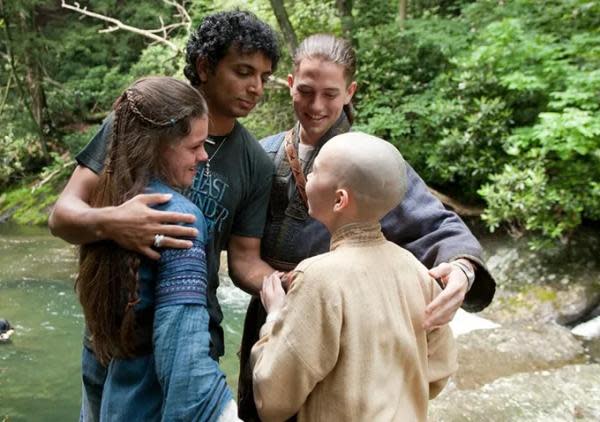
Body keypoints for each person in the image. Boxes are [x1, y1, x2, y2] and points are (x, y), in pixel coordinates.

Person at [237, 33, 495, 419]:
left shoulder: (367, 162)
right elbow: (241, 254)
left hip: (351, 344)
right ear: (290, 84)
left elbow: (438, 226)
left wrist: (462, 270)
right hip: (277, 323)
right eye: (306, 91)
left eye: (330, 93)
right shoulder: (260, 156)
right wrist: (287, 300)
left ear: (349, 91)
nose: (316, 105)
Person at [48, 11, 280, 366]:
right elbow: (62, 217)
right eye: (244, 72)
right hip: (112, 339)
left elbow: (244, 261)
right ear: (204, 67)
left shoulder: (256, 163)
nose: (257, 88)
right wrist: (112, 222)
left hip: (194, 341)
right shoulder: (139, 123)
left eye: (264, 77)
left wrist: (292, 285)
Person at [251, 132, 458, 421]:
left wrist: (274, 316)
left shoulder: (316, 277)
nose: (308, 173)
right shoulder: (416, 269)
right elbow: (439, 369)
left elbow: (274, 399)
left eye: (317, 170)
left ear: (339, 200)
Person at [76, 76, 239, 421]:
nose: (204, 155)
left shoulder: (107, 202)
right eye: (194, 146)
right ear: (157, 146)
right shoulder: (178, 217)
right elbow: (184, 356)